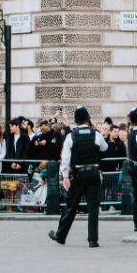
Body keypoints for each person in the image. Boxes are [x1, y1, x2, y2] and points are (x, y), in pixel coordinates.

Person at [50, 106, 108, 248]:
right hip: (94, 173)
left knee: (71, 206)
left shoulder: (71, 136)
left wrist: (65, 176)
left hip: (78, 174)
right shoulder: (96, 134)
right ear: (88, 119)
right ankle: (93, 240)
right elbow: (104, 148)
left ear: (75, 120)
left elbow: (65, 159)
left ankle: (61, 235)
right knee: (93, 208)